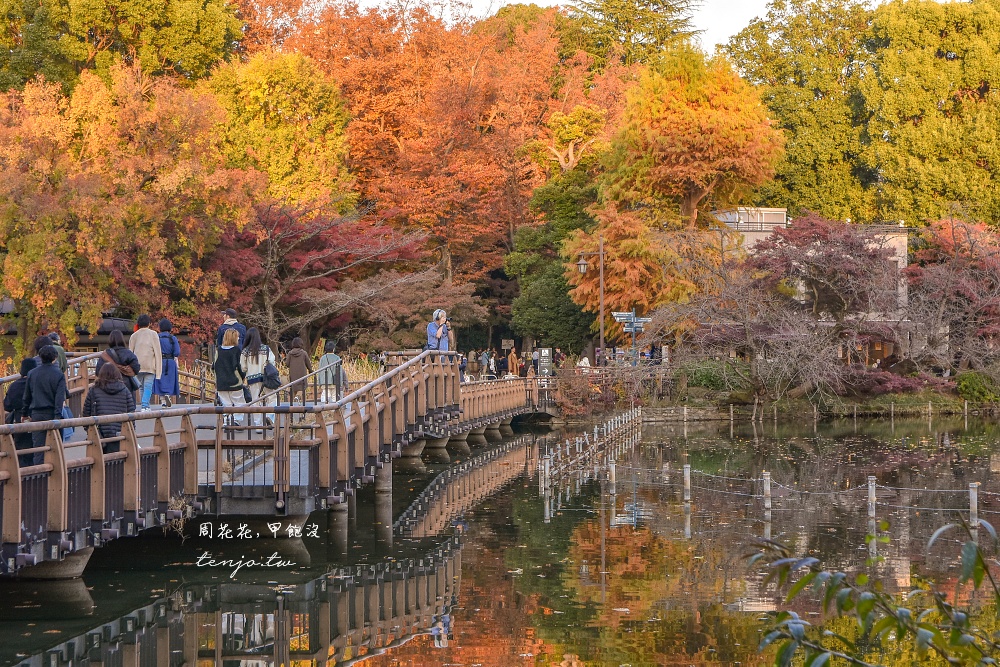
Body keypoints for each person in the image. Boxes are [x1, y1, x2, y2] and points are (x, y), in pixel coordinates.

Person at [22, 346, 66, 466]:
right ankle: (57, 479)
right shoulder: (59, 374)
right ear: (55, 358)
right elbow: (60, 397)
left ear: (40, 357)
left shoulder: (32, 373)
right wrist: (58, 416)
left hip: (36, 414)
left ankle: (39, 479)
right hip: (52, 413)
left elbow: (27, 396)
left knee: (39, 450)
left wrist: (24, 413)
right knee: (56, 448)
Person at [83, 363, 135, 453]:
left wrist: (88, 429)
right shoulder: (124, 390)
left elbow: (86, 412)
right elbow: (131, 412)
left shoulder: (94, 390)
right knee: (119, 462)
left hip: (99, 433)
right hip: (120, 432)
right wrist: (131, 431)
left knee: (99, 463)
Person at [4, 358, 37, 466]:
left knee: (21, 448)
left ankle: (21, 475)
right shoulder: (36, 384)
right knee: (36, 447)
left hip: (19, 418)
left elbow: (7, 405)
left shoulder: (14, 385)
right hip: (36, 416)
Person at [241, 327, 276, 425]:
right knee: (272, 397)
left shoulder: (245, 351)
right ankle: (270, 417)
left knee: (255, 400)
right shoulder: (266, 348)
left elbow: (243, 368)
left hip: (252, 379)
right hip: (267, 378)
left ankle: (258, 424)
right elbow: (272, 361)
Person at [128, 314, 162, 412]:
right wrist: (158, 370)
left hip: (137, 366)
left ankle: (145, 405)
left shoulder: (134, 336)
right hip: (150, 365)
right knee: (148, 386)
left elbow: (130, 352)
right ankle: (145, 405)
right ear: (149, 323)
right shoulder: (153, 334)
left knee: (141, 387)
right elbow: (158, 353)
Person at [213, 328, 247, 420]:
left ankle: (226, 421)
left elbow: (214, 366)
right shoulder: (236, 350)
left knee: (226, 403)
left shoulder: (219, 350)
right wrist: (243, 377)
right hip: (235, 381)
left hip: (221, 382)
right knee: (239, 402)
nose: (239, 339)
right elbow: (240, 367)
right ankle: (237, 420)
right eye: (238, 337)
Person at [154, 318, 180, 408]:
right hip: (170, 362)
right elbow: (177, 352)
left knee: (160, 380)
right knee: (170, 380)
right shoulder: (172, 338)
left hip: (159, 360)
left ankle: (163, 401)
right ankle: (168, 394)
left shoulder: (156, 337)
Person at [286, 337, 312, 405]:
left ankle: (293, 409)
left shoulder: (290, 353)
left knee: (294, 389)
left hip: (293, 374)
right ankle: (298, 398)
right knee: (302, 389)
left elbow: (287, 364)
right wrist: (310, 370)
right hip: (302, 374)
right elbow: (308, 363)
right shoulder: (304, 353)